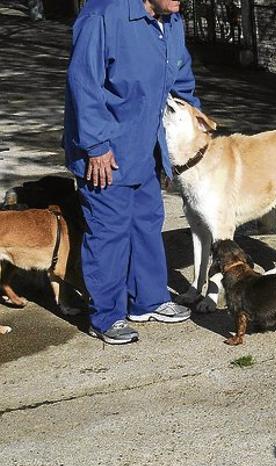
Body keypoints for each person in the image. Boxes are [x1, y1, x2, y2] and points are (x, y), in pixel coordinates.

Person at [63, 0, 197, 344]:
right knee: (110, 232)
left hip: (146, 145)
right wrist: (95, 146)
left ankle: (149, 300)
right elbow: (84, 83)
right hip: (107, 150)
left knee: (147, 222)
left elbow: (181, 79)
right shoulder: (102, 16)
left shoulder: (172, 18)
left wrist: (190, 126)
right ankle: (107, 315)